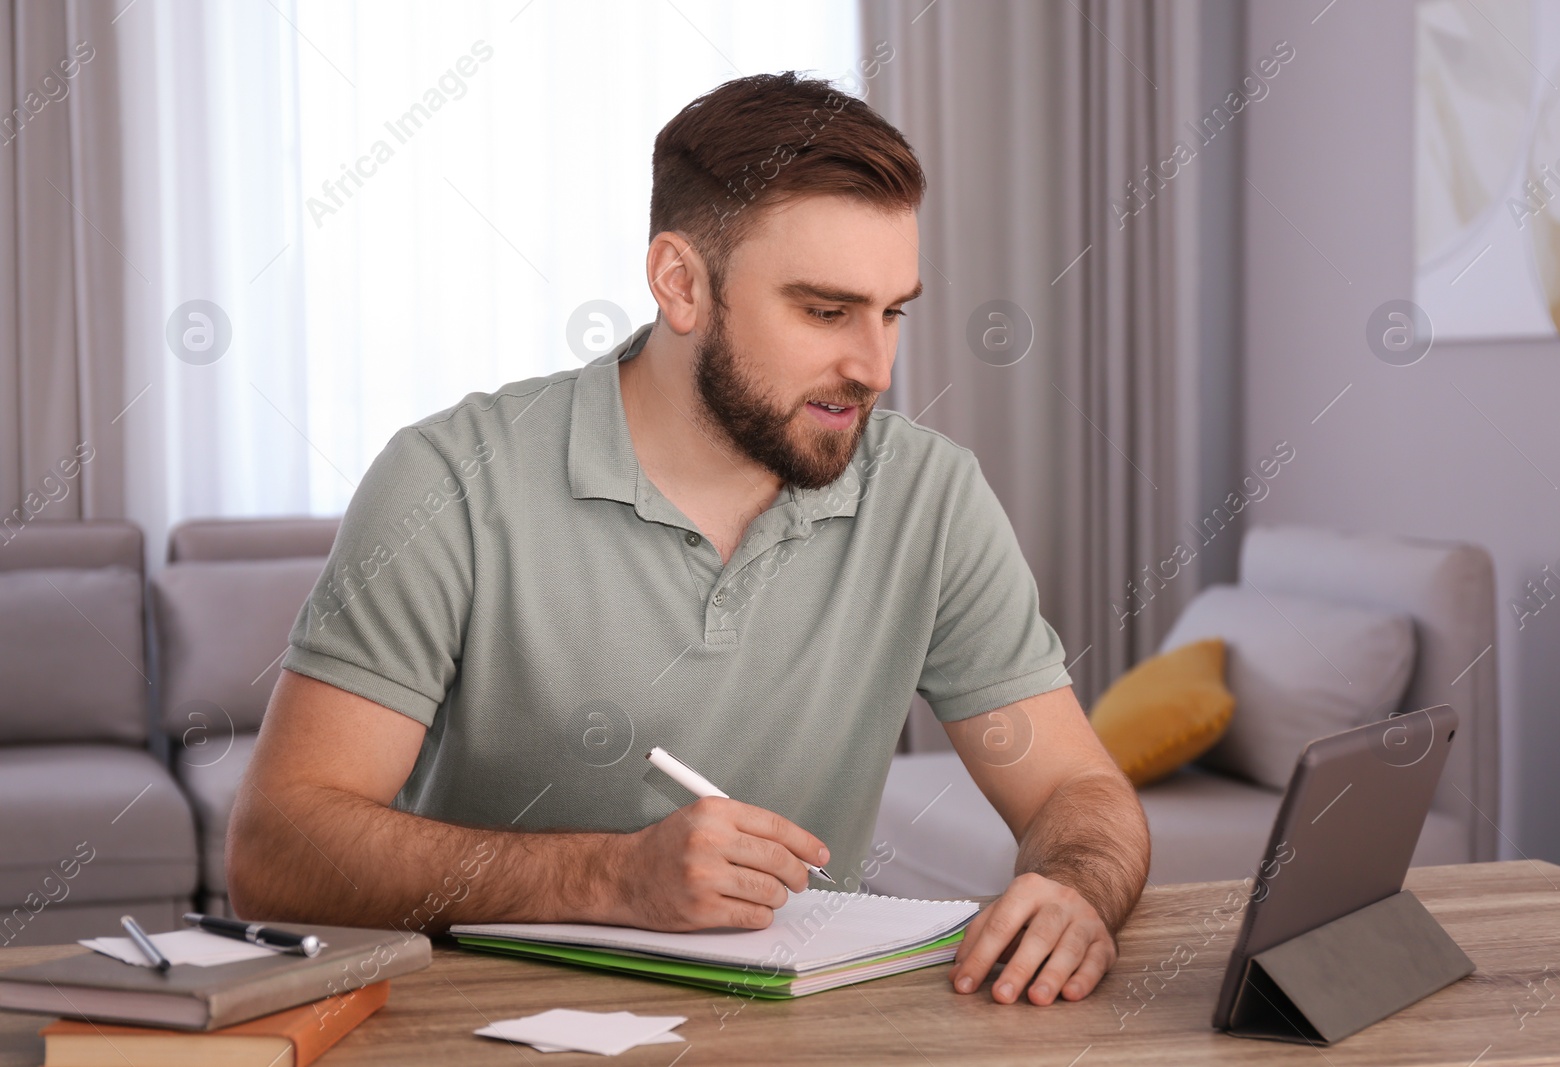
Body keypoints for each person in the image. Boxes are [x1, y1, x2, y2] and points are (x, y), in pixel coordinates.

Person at [229, 70, 1150, 1008]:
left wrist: (1076, 887)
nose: (874, 367)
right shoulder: (450, 480)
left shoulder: (931, 496)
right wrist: (611, 878)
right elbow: (275, 850)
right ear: (680, 283)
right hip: (482, 1033)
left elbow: (1077, 792)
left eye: (894, 312)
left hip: (802, 1035)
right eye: (826, 311)